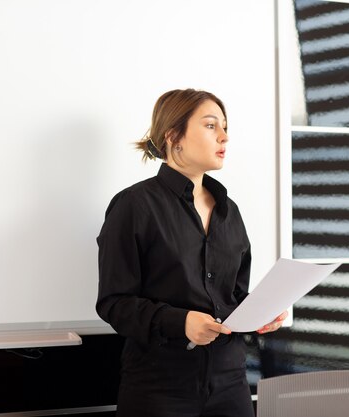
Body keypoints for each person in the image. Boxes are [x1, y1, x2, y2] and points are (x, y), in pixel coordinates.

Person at [96, 88, 287, 417]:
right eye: (211, 126)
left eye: (225, 127)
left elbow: (234, 295)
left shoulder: (230, 212)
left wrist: (259, 314)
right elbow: (114, 303)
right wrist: (180, 322)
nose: (224, 136)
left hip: (231, 380)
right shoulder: (134, 206)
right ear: (174, 136)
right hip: (160, 386)